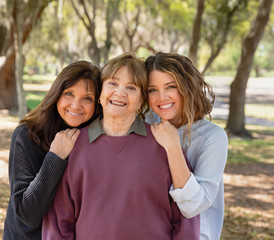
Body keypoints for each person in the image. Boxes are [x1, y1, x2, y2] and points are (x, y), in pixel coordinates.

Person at [42, 52, 200, 240]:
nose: (120, 93)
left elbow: (185, 221)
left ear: (142, 101)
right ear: (100, 94)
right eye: (113, 83)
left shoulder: (163, 143)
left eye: (131, 87)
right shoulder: (72, 145)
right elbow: (59, 221)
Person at [3, 61, 102, 240]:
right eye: (69, 94)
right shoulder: (27, 135)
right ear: (57, 94)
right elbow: (28, 214)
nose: (76, 105)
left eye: (87, 98)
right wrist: (55, 157)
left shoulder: (95, 140)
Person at [145, 52, 228, 240]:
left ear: (187, 87)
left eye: (170, 87)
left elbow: (193, 206)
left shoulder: (212, 138)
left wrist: (173, 146)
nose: (161, 97)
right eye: (152, 90)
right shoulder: (147, 123)